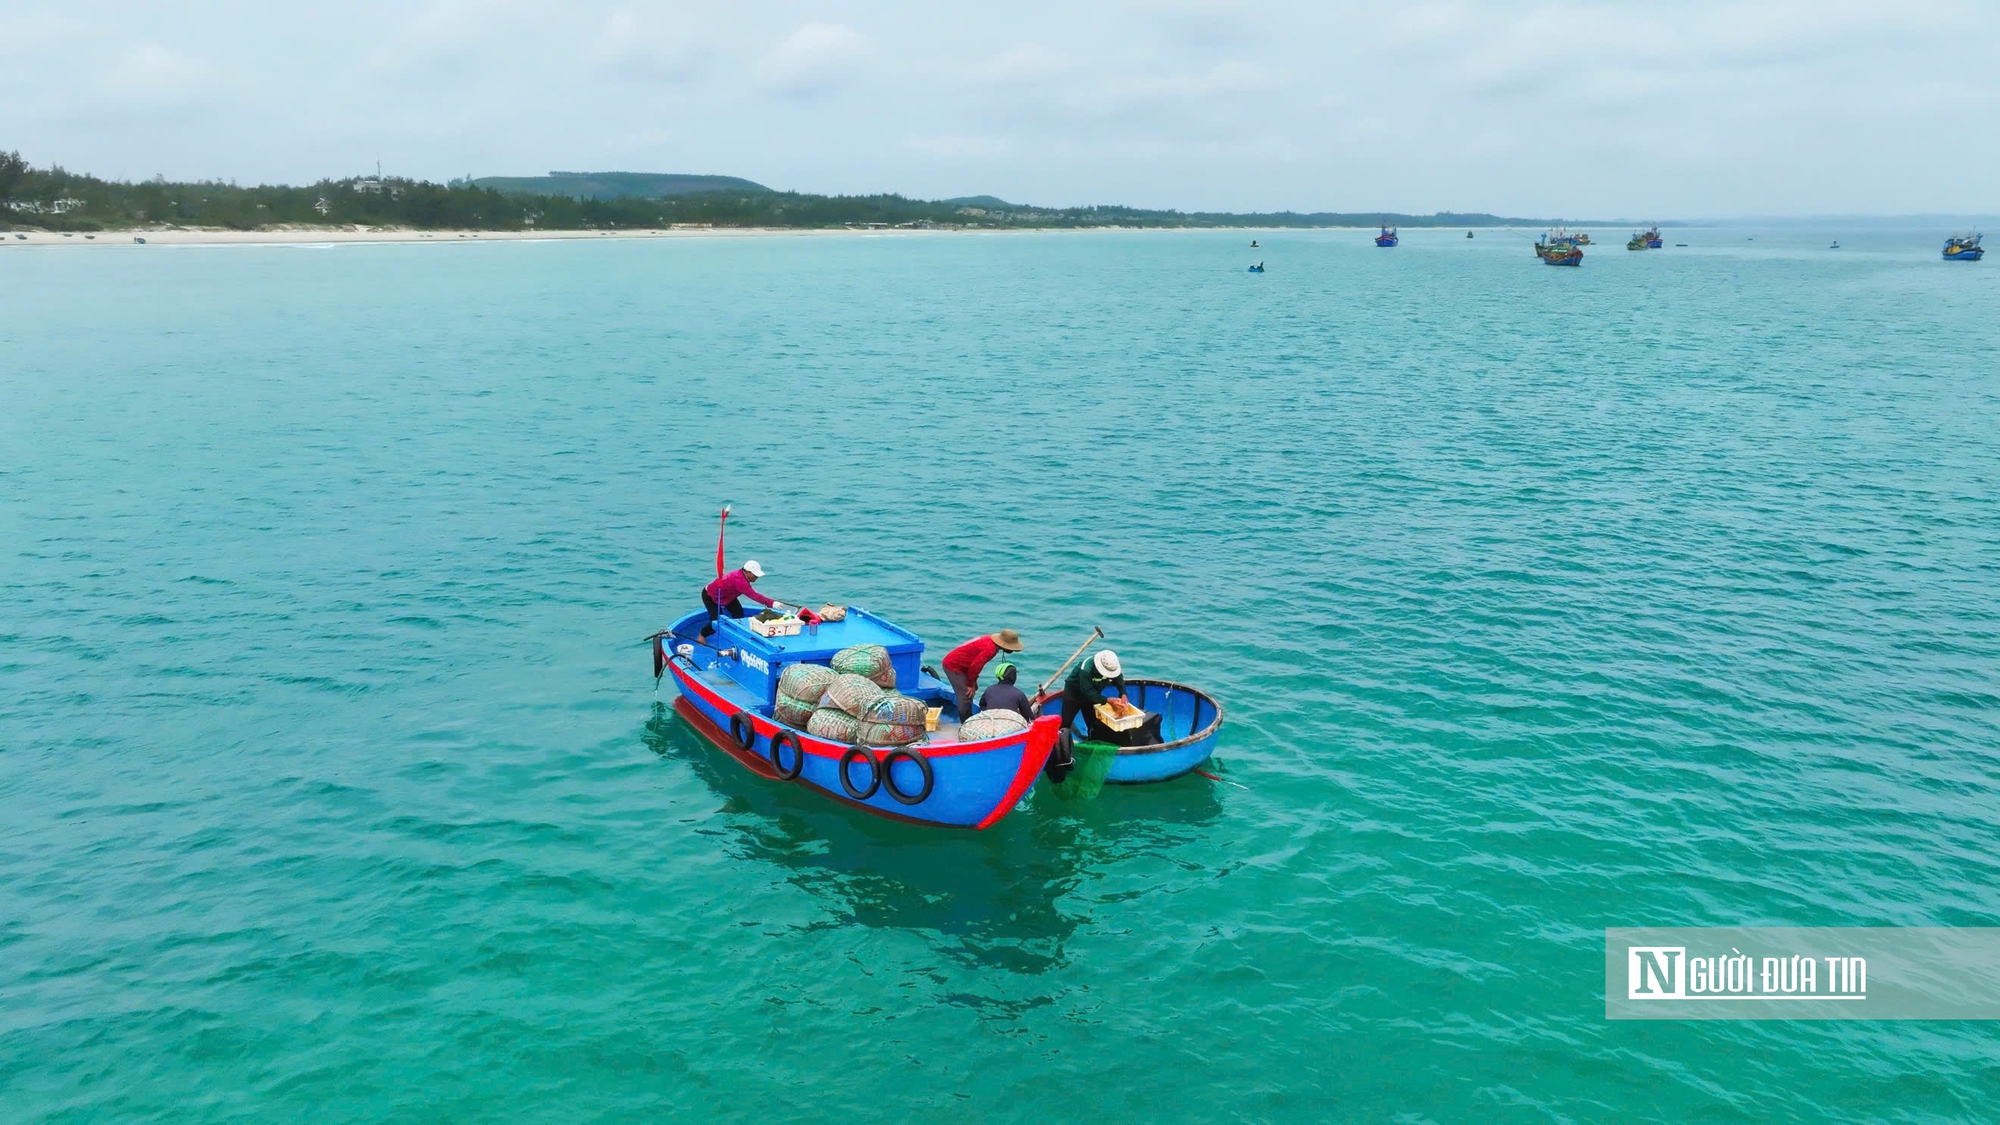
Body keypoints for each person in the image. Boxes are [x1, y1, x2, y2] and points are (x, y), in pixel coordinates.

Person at [942, 628, 1023, 723]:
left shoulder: (989, 640)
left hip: (963, 665)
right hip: (953, 666)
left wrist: (973, 682)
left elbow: (973, 661)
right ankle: (965, 723)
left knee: (973, 689)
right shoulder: (990, 649)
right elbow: (976, 666)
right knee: (966, 696)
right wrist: (970, 684)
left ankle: (968, 717)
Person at [699, 560, 780, 641]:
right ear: (747, 572)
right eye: (755, 575)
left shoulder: (742, 575)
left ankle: (736, 633)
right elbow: (754, 595)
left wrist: (771, 602)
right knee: (717, 620)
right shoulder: (740, 581)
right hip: (711, 596)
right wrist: (772, 603)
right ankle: (702, 635)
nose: (757, 577)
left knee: (738, 613)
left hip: (728, 596)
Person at [1061, 649, 1127, 736]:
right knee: (1066, 722)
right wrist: (1108, 700)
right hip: (1074, 694)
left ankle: (1092, 739)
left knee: (1093, 723)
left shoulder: (1111, 667)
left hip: (1093, 694)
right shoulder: (1086, 669)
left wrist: (1123, 693)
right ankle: (1062, 743)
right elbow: (1087, 691)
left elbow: (1118, 679)